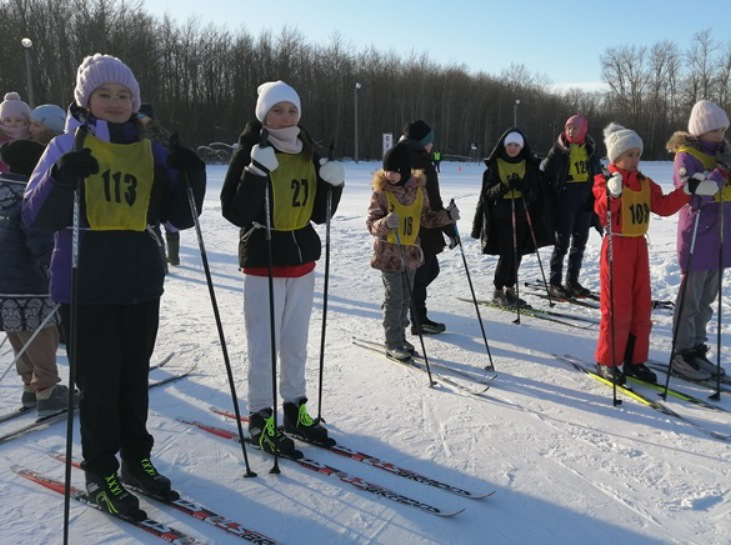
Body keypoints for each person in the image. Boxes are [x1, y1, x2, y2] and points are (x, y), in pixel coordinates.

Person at [23, 53, 206, 518]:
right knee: (99, 385)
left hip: (140, 280)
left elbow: (181, 217)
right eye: (104, 94)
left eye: (123, 94)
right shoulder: (66, 145)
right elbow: (34, 216)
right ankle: (99, 471)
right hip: (86, 281)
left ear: (135, 101)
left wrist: (192, 175)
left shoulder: (150, 149)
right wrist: (62, 180)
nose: (115, 101)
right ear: (86, 100)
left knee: (133, 381)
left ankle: (135, 460)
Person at [220, 80, 345, 457]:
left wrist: (333, 187)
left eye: (291, 110)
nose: (285, 116)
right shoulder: (250, 151)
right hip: (264, 257)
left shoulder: (310, 151)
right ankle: (261, 416)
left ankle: (295, 409)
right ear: (263, 114)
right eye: (277, 110)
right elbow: (234, 211)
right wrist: (256, 173)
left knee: (295, 343)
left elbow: (320, 214)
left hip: (301, 258)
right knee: (264, 344)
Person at [592, 123, 717, 385]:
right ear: (616, 157)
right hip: (617, 247)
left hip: (638, 246)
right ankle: (608, 359)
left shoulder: (645, 183)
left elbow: (663, 206)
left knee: (641, 306)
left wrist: (687, 190)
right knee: (617, 307)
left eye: (637, 154)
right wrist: (613, 194)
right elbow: (602, 210)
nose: (635, 160)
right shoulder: (604, 181)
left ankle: (635, 360)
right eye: (629, 154)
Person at [666, 100, 731, 380]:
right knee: (691, 299)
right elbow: (693, 194)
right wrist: (722, 170)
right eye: (715, 130)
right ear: (700, 130)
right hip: (698, 235)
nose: (721, 135)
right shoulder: (686, 156)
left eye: (723, 130)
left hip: (722, 234)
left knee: (707, 299)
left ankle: (696, 348)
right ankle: (681, 352)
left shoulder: (723, 154)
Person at [0, 139, 74, 418]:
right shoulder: (30, 195)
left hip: (3, 281)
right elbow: (40, 237)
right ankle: (47, 390)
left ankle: (30, 385)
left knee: (16, 330)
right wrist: (57, 267)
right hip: (28, 279)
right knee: (41, 331)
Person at [367, 142, 459, 361]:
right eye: (387, 170)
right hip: (388, 255)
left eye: (395, 171)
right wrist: (385, 223)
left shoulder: (418, 190)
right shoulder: (382, 192)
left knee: (406, 298)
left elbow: (426, 218)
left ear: (405, 170)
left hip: (411, 254)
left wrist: (447, 216)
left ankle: (401, 337)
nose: (390, 175)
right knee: (395, 299)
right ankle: (393, 342)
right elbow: (371, 224)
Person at [470, 128, 552, 308]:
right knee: (507, 254)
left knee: (517, 254)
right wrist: (505, 186)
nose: (513, 148)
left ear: (521, 147)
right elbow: (488, 194)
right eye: (510, 145)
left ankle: (510, 289)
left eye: (516, 145)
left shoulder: (528, 165)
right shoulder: (495, 165)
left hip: (522, 214)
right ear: (504, 146)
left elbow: (536, 195)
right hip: (501, 216)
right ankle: (498, 290)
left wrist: (523, 188)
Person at [399, 120, 457, 335]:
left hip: (409, 226)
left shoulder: (400, 155)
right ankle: (418, 318)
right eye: (430, 141)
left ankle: (404, 303)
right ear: (423, 142)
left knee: (428, 271)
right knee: (423, 274)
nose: (432, 146)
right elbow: (433, 201)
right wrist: (450, 228)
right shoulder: (422, 162)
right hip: (422, 227)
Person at [541, 114, 601, 298]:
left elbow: (596, 174)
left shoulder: (589, 149)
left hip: (585, 200)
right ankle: (555, 282)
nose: (571, 131)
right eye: (568, 128)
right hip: (565, 199)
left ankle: (572, 281)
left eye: (575, 128)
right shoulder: (558, 150)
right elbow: (544, 173)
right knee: (562, 244)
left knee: (579, 243)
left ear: (583, 130)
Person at [138, 102, 180, 267]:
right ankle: (172, 256)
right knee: (168, 221)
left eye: (142, 115)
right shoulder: (163, 131)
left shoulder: (145, 133)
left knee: (154, 221)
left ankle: (163, 262)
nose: (139, 118)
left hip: (155, 179)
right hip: (166, 179)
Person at [0, 92, 33, 172]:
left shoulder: (31, 136)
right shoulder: (1, 138)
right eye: (8, 120)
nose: (13, 123)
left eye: (18, 120)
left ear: (26, 121)